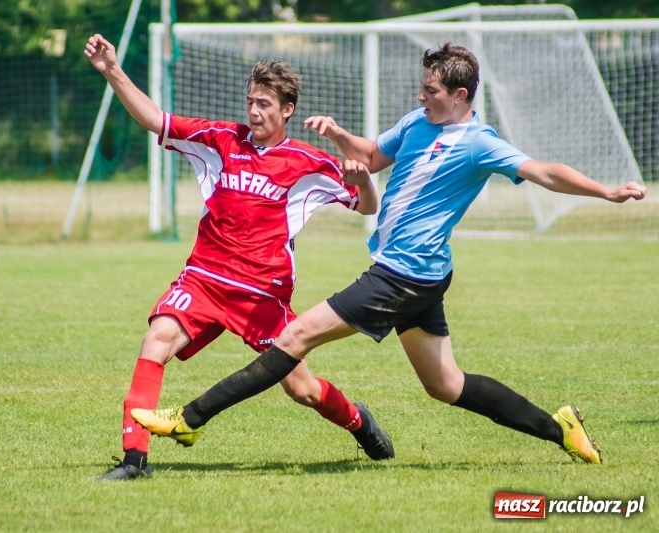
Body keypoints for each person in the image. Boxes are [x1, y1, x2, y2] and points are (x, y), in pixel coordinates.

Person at [132, 42, 648, 465]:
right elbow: (372, 156)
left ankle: (188, 420)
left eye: (430, 90)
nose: (420, 96)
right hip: (417, 274)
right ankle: (558, 427)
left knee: (294, 336)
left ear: (459, 94)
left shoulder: (479, 142)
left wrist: (605, 192)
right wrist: (339, 137)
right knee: (446, 384)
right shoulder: (417, 122)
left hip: (402, 277)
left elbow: (544, 172)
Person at [84, 34, 392, 481]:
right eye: (250, 101)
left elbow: (368, 207)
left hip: (261, 296)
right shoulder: (220, 139)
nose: (254, 111)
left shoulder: (307, 162)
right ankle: (135, 460)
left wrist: (361, 180)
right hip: (204, 280)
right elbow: (156, 120)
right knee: (155, 342)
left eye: (264, 103)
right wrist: (112, 70)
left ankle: (357, 421)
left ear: (287, 109)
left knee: (302, 389)